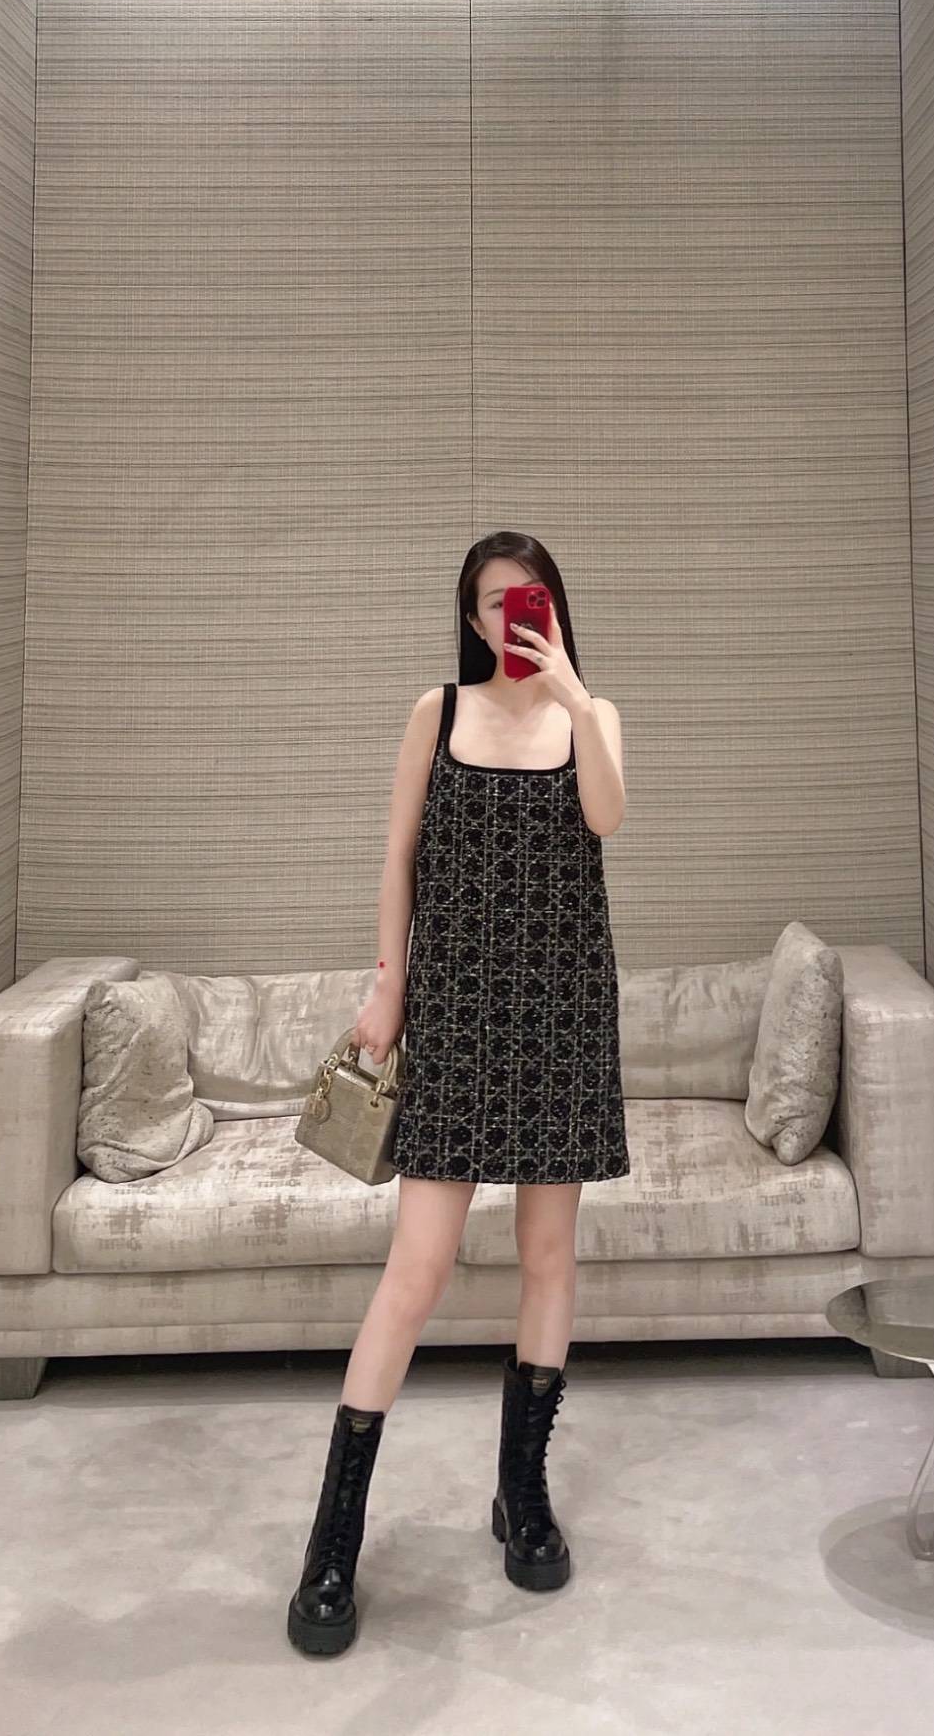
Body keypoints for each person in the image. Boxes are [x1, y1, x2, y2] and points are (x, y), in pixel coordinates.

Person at [287, 531, 629, 1658]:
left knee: (547, 1255)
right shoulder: (435, 714)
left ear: (554, 606)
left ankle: (521, 1492)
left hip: (562, 1015)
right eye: (491, 604)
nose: (509, 617)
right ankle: (333, 1538)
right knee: (417, 1269)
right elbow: (398, 859)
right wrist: (387, 986)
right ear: (471, 618)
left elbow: (607, 818)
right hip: (454, 1018)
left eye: (527, 599)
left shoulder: (594, 716)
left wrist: (571, 694)